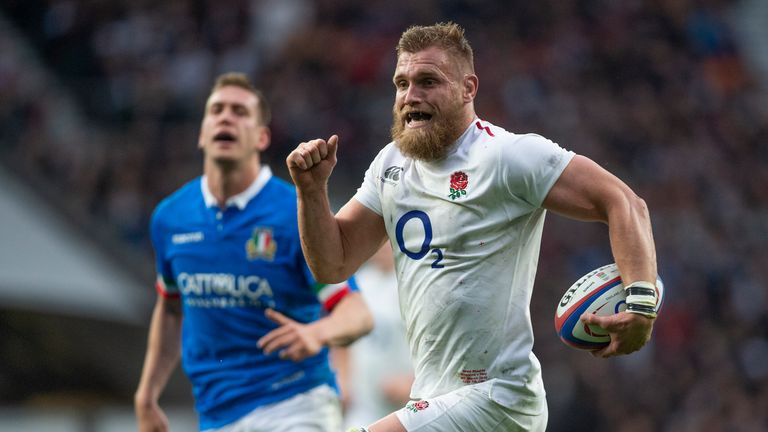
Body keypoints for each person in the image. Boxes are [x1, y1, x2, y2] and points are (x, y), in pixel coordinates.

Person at [286, 22, 660, 432]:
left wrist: (641, 304)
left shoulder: (507, 156)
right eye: (402, 83)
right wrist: (312, 192)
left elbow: (624, 202)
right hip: (433, 397)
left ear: (468, 88)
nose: (411, 96)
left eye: (428, 81)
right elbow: (332, 264)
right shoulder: (391, 166)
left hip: (497, 397)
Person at [134, 72, 373, 432]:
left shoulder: (294, 213)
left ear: (262, 137)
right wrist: (147, 394)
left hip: (296, 403)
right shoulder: (170, 218)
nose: (226, 117)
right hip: (215, 414)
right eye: (216, 110)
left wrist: (317, 334)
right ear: (201, 133)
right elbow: (170, 308)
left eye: (240, 112)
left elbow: (357, 313)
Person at [340, 243, 414, 429]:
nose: (381, 247)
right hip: (362, 405)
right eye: (378, 241)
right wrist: (343, 380)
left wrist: (413, 383)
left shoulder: (413, 285)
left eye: (387, 240)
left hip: (405, 406)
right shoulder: (359, 283)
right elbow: (340, 337)